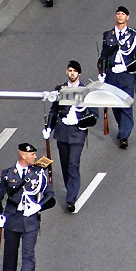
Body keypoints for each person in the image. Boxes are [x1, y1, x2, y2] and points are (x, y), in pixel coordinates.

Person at [0, 143, 54, 271]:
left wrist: (38, 207)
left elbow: (50, 195)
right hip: (12, 218)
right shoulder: (8, 174)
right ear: (23, 155)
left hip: (30, 220)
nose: (35, 157)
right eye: (32, 155)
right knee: (10, 252)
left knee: (28, 254)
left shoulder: (39, 173)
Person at [44, 61, 92, 213]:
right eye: (70, 71)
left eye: (75, 71)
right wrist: (49, 128)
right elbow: (53, 110)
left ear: (79, 74)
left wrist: (82, 123)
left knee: (73, 164)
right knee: (65, 165)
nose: (72, 73)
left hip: (77, 132)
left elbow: (93, 114)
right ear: (67, 72)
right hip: (62, 132)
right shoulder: (60, 89)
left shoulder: (85, 91)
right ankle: (69, 188)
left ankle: (71, 198)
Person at [97, 6, 136, 149]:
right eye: (118, 14)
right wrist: (102, 72)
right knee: (116, 106)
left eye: (123, 14)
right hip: (111, 74)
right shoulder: (108, 35)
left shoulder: (134, 36)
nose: (120, 16)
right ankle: (122, 127)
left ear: (127, 17)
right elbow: (103, 56)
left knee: (126, 105)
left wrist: (126, 67)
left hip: (126, 75)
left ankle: (124, 136)